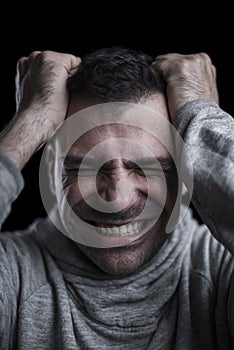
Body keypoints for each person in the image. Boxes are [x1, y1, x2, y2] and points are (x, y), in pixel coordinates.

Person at [0, 47, 233, 349]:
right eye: (82, 166)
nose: (117, 199)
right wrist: (30, 122)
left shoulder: (220, 269)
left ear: (186, 169)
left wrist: (198, 113)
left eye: (150, 167)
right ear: (51, 171)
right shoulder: (13, 276)